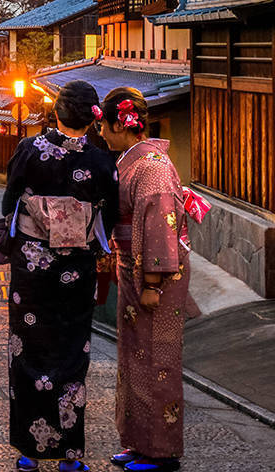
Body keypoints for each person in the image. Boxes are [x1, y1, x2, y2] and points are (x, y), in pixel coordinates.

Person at [0, 81, 119, 472]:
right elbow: (110, 216)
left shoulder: (29, 149)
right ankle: (69, 454)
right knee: (70, 354)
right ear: (92, 117)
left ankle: (29, 452)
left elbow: (9, 201)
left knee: (28, 350)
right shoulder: (102, 161)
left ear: (56, 111)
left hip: (32, 270)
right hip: (75, 270)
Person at [98, 87, 207, 472]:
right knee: (134, 356)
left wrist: (152, 284)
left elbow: (160, 227)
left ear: (119, 124)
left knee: (157, 358)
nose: (101, 134)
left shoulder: (153, 168)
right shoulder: (133, 161)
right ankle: (138, 441)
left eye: (104, 126)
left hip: (154, 274)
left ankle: (161, 452)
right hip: (133, 267)